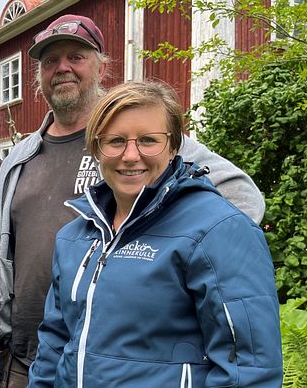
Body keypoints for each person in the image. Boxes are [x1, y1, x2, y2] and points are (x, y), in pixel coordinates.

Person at [0, 14, 266, 387]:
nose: (130, 154)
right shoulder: (22, 158)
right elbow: (5, 250)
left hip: (144, 360)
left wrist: (174, 251)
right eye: (50, 60)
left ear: (101, 66)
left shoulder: (138, 121)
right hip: (40, 354)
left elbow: (239, 198)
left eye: (76, 56)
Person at [27, 81, 282, 387]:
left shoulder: (218, 230)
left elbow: (248, 369)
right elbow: (54, 346)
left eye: (148, 140)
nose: (131, 155)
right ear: (96, 147)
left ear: (174, 146)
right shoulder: (74, 237)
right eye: (116, 141)